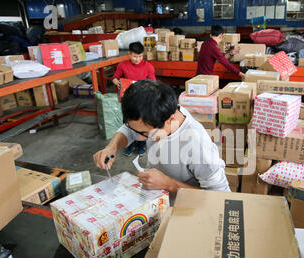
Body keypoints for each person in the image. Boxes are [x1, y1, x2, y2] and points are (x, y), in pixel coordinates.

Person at [93, 79, 230, 194]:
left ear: (170, 120)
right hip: (155, 198)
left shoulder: (196, 143)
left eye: (145, 134)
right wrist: (112, 147)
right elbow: (130, 130)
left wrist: (168, 184)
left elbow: (218, 195)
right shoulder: (157, 115)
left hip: (184, 211)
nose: (139, 138)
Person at [112, 41, 156, 157]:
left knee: (142, 123)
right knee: (128, 122)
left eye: (140, 56)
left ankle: (141, 144)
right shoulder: (122, 65)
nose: (137, 59)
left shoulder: (148, 66)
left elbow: (153, 83)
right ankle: (130, 145)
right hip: (127, 100)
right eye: (135, 56)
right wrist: (115, 81)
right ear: (129, 54)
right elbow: (115, 77)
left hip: (142, 100)